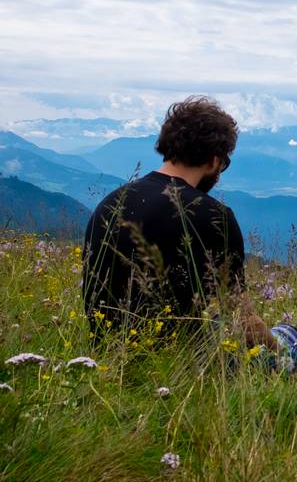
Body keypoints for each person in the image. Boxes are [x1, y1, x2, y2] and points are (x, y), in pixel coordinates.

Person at [83, 96, 272, 346]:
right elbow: (242, 319)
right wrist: (281, 355)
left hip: (108, 355)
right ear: (214, 160)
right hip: (187, 364)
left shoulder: (110, 203)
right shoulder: (215, 216)